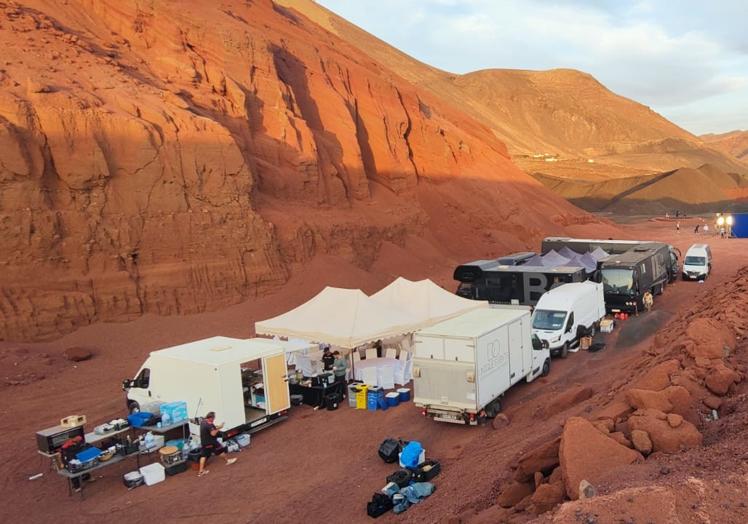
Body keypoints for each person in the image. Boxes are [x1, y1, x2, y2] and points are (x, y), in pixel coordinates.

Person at [198, 411, 237, 477]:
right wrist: (220, 428)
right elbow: (213, 433)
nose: (214, 419)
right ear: (211, 418)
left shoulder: (203, 422)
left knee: (203, 456)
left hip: (204, 442)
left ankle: (201, 471)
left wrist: (217, 426)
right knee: (220, 450)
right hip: (211, 442)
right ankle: (228, 460)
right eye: (213, 418)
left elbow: (212, 428)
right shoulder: (209, 425)